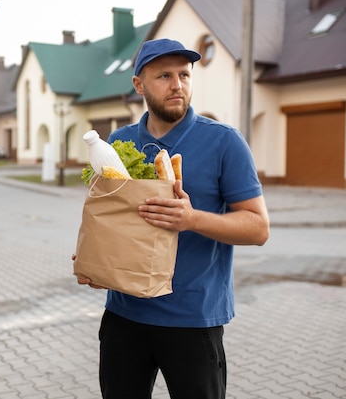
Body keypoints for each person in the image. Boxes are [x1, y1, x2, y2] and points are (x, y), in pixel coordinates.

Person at [74, 38, 270, 398]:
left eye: (184, 74)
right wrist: (97, 261)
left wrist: (192, 218)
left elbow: (258, 228)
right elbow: (110, 221)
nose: (177, 85)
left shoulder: (224, 142)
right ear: (139, 84)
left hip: (193, 319)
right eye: (164, 75)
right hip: (124, 316)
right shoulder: (119, 142)